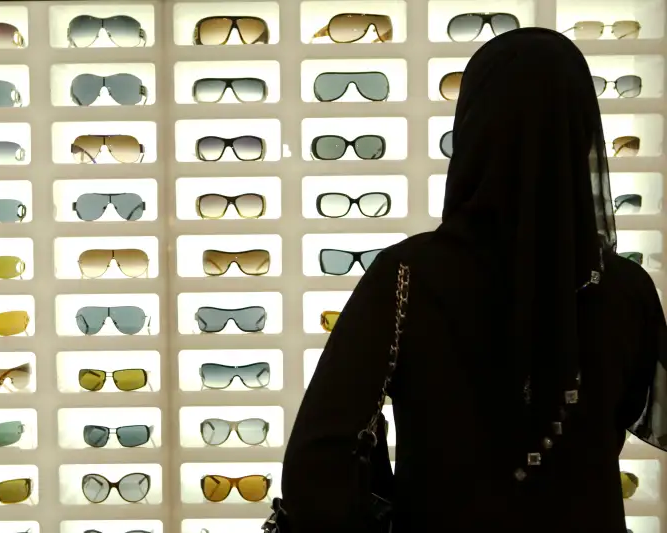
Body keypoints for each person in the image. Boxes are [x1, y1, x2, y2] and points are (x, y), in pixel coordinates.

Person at [280, 27, 666, 532]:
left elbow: (321, 454)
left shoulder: (405, 279)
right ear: (581, 134)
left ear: (474, 129)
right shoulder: (624, 290)